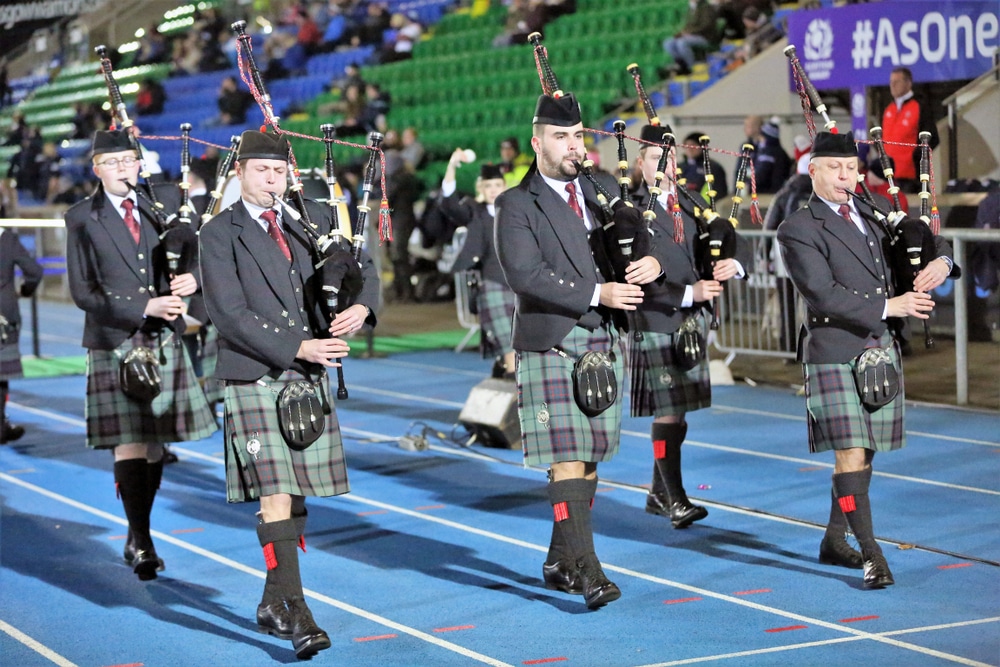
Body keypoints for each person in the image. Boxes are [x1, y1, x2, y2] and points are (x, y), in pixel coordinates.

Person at [199, 130, 379, 659]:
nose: (271, 181)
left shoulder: (310, 221)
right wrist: (299, 345)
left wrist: (363, 308)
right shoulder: (219, 233)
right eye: (261, 171)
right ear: (240, 174)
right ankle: (297, 610)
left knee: (294, 491)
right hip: (256, 371)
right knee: (276, 490)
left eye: (278, 172)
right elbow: (229, 314)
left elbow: (361, 267)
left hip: (307, 375)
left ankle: (273, 600)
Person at [494, 92, 661, 610]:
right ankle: (588, 570)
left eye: (579, 136)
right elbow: (525, 274)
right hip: (552, 342)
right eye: (562, 136)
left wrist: (650, 262)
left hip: (603, 339)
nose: (573, 146)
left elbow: (637, 239)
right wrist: (597, 293)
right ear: (537, 141)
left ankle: (559, 559)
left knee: (587, 460)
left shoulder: (603, 188)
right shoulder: (517, 203)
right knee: (567, 460)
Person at [776, 132, 958, 589]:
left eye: (852, 169)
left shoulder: (876, 210)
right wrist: (892, 306)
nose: (845, 177)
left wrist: (944, 264)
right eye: (835, 169)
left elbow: (929, 238)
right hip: (834, 350)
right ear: (812, 169)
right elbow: (821, 292)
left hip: (878, 348)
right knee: (851, 452)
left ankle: (835, 539)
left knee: (866, 453)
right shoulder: (798, 227)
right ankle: (872, 555)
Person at [64, 129, 218, 581]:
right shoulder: (80, 217)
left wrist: (193, 278)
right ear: (96, 169)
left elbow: (194, 248)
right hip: (114, 339)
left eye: (128, 161)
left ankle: (138, 532)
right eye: (111, 163)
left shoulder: (161, 206)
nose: (121, 170)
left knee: (155, 442)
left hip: (163, 336)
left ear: (139, 163)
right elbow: (81, 291)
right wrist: (143, 306)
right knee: (131, 439)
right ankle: (143, 540)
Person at [629, 125, 750, 527]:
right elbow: (632, 275)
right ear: (640, 165)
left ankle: (657, 493)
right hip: (659, 317)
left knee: (677, 414)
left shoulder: (691, 201)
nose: (665, 167)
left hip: (689, 323)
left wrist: (734, 263)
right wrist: (688, 294)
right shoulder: (630, 210)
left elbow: (728, 238)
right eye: (655, 159)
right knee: (667, 413)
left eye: (670, 159)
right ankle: (675, 498)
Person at [439, 153, 514, 376]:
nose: (493, 189)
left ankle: (503, 371)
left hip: (519, 283)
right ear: (480, 187)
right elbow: (449, 202)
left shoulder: (515, 212)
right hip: (491, 281)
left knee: (519, 338)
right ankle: (510, 376)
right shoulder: (474, 211)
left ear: (504, 186)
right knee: (506, 340)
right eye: (488, 185)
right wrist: (452, 166)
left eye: (497, 185)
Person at [762, 153, 811, 352]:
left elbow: (769, 226)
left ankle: (789, 346)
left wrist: (764, 255)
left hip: (785, 258)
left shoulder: (784, 193)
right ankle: (811, 346)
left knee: (786, 304)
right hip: (815, 258)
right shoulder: (823, 192)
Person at [0, 226, 43, 443]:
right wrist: (25, 290)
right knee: (1, 374)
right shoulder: (6, 238)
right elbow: (34, 271)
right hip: (4, 314)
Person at [881, 67, 939, 193]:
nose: (893, 85)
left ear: (908, 83)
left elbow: (933, 138)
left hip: (911, 178)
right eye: (891, 82)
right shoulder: (889, 109)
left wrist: (915, 157)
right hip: (889, 176)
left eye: (897, 81)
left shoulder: (920, 105)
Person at [661, 0, 720, 77]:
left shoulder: (706, 7)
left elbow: (706, 25)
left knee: (681, 43)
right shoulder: (690, 8)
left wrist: (690, 32)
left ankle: (691, 67)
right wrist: (683, 33)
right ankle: (681, 64)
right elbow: (688, 25)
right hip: (691, 35)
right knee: (668, 43)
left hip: (704, 36)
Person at [745, 115, 791, 194]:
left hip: (768, 193)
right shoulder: (778, 151)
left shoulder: (768, 153)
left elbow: (762, 174)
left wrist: (749, 184)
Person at [678, 131, 729, 199]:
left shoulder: (713, 168)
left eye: (693, 145)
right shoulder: (679, 167)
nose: (689, 149)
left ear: (701, 147)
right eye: (687, 145)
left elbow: (720, 193)